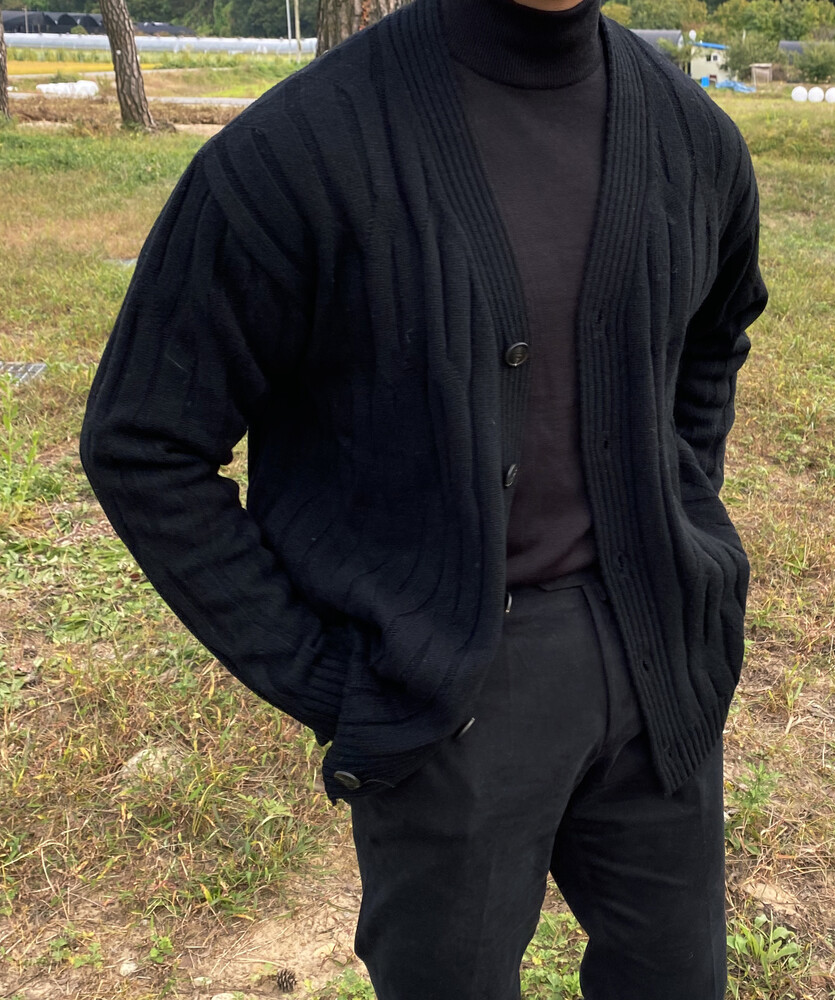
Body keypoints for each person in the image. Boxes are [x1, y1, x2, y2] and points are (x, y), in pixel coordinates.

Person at [80, 0, 768, 994]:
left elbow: (713, 337)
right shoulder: (298, 150)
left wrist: (677, 513)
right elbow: (144, 441)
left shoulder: (691, 135)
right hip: (449, 696)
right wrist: (323, 674)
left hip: (662, 659)